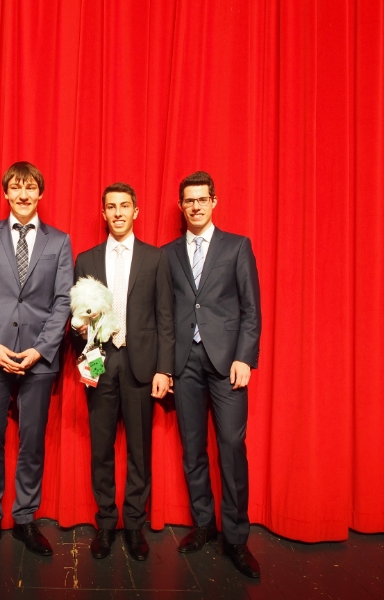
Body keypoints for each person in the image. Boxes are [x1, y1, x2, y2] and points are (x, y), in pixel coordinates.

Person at [0, 161, 73, 559]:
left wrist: (41, 349)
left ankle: (24, 518)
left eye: (30, 187)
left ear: (41, 193)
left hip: (39, 358)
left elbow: (63, 302)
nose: (23, 194)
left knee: (32, 440)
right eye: (16, 188)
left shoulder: (60, 241)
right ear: (5, 193)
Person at [163, 171, 262, 578]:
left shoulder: (237, 246)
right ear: (181, 206)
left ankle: (236, 537)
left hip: (227, 363)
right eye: (189, 200)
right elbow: (165, 313)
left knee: (232, 447)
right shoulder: (168, 253)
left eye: (202, 199)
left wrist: (245, 358)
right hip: (184, 362)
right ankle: (203, 523)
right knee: (193, 447)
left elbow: (251, 309)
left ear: (214, 201)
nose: (195, 206)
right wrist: (166, 366)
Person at [73, 182, 174, 561]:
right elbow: (76, 315)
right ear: (103, 213)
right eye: (111, 207)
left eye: (124, 206)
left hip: (140, 362)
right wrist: (79, 327)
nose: (118, 212)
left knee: (139, 449)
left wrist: (164, 369)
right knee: (100, 447)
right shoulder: (86, 259)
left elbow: (165, 318)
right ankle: (105, 523)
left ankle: (133, 525)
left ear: (136, 211)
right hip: (99, 360)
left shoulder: (155, 258)